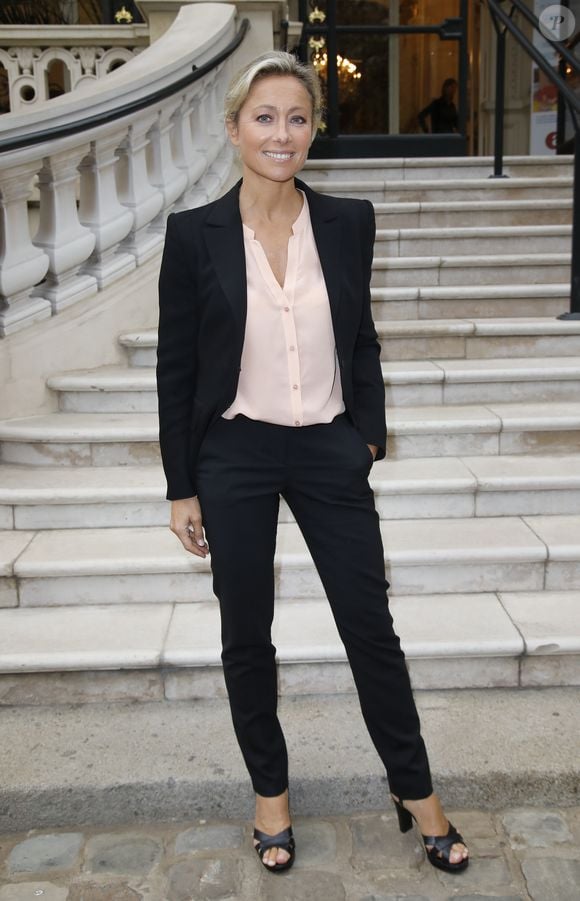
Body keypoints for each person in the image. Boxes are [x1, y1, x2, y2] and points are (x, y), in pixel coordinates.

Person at [156, 50, 469, 876]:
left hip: (328, 446)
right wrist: (180, 483)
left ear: (313, 129)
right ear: (233, 130)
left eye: (297, 118)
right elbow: (176, 367)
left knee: (371, 628)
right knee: (246, 633)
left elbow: (360, 335)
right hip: (234, 451)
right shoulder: (194, 236)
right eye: (264, 117)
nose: (281, 133)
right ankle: (270, 795)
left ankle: (416, 789)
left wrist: (367, 432)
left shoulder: (348, 220)